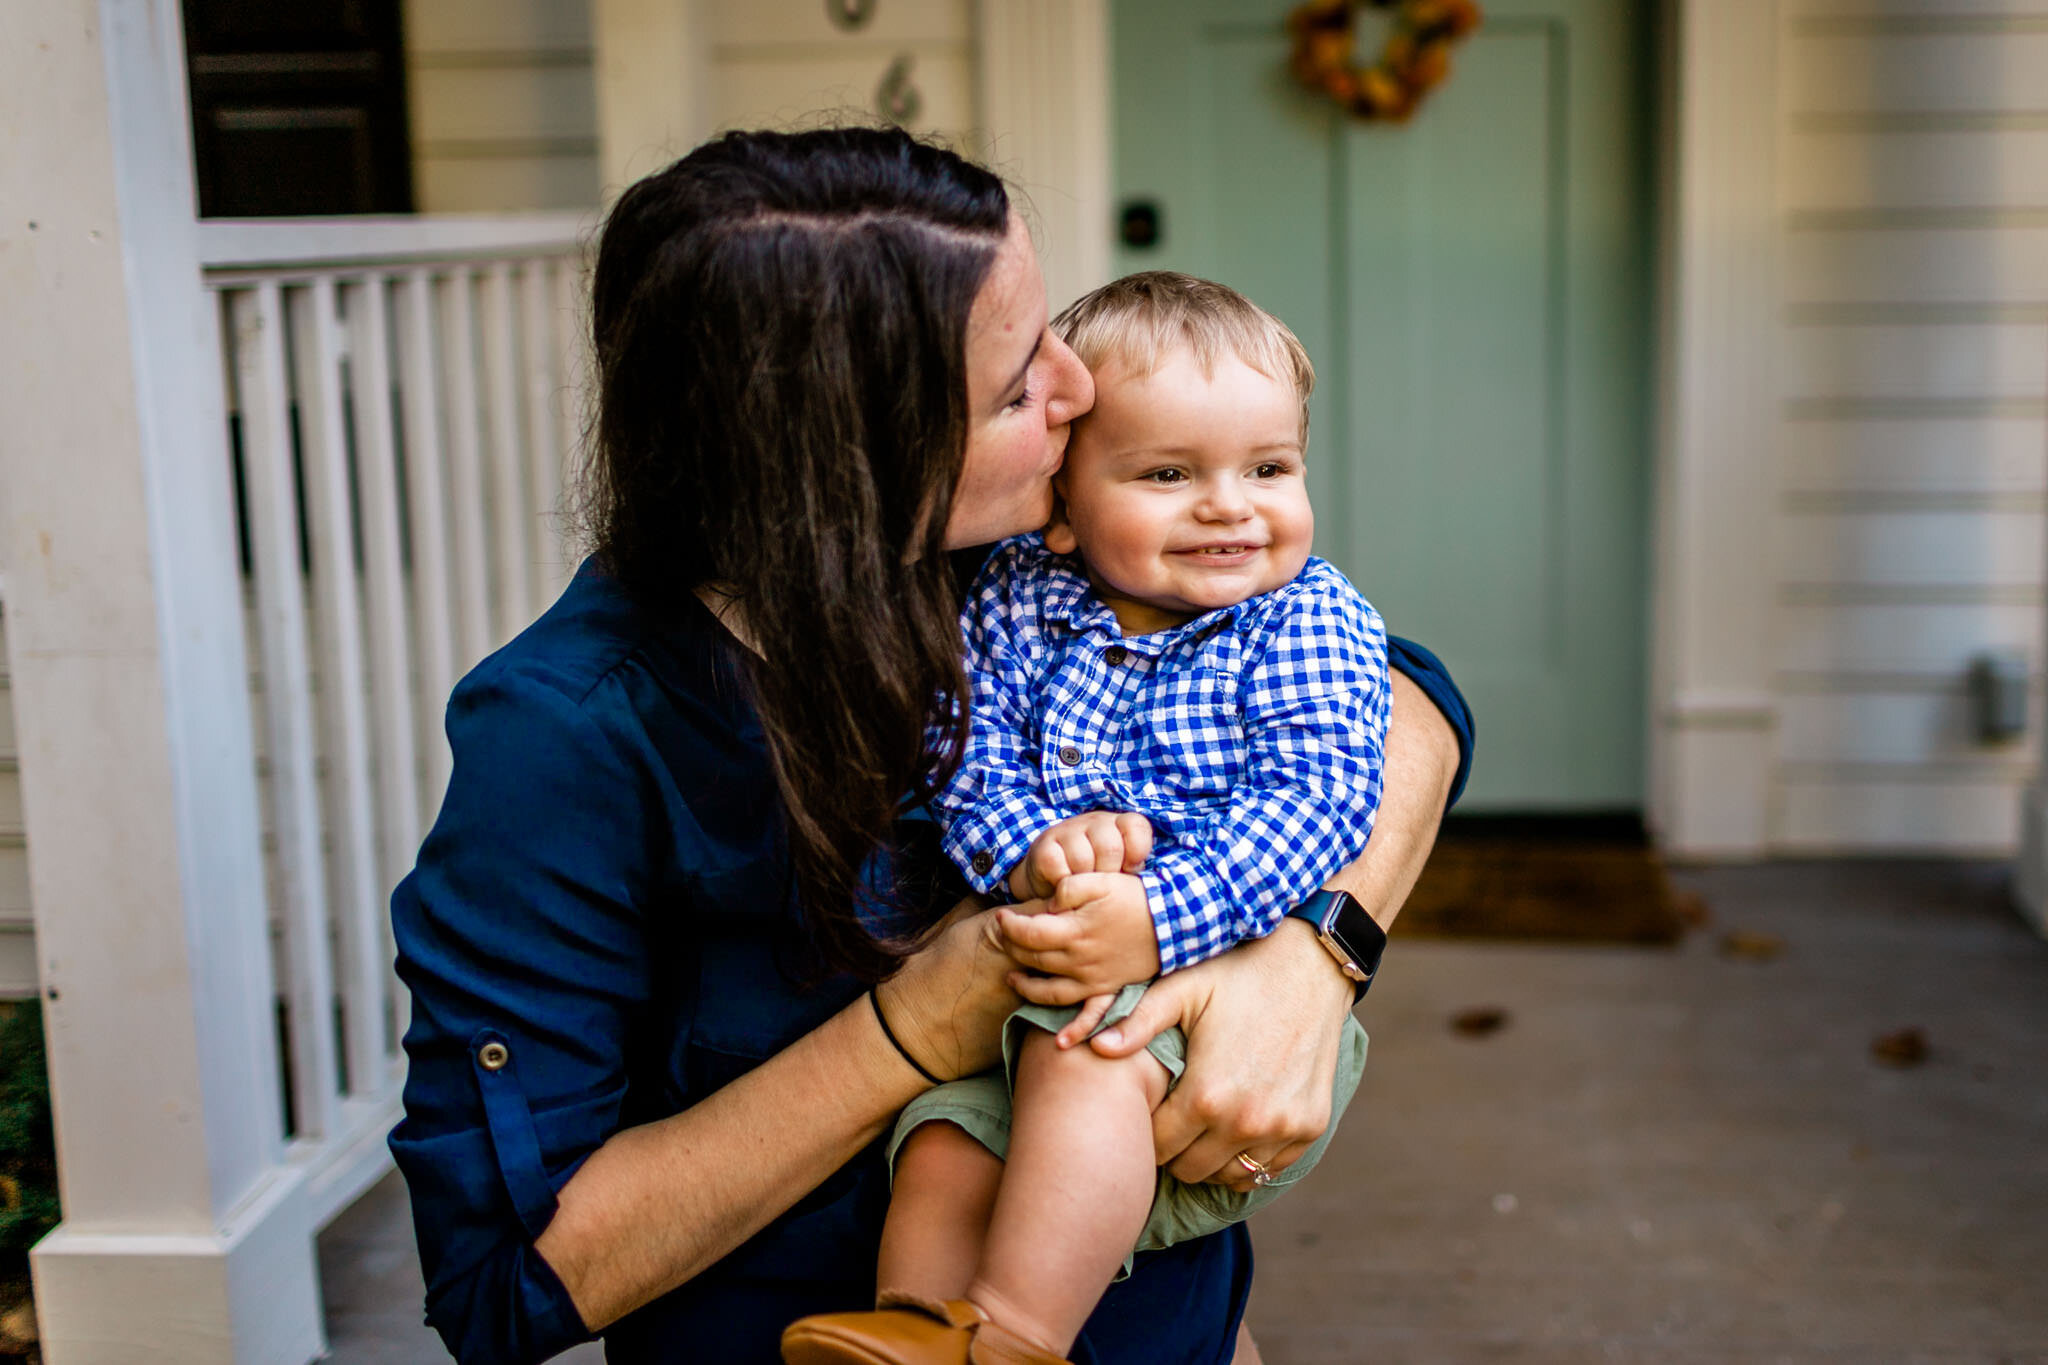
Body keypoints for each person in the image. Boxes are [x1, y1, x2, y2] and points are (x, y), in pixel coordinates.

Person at [387, 126, 1474, 1365]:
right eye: (1018, 383)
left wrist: (1313, 957)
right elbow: (504, 1282)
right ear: (842, 463)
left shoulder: (1007, 562)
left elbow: (1409, 698)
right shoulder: (571, 736)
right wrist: (911, 1031)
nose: (1077, 388)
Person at [782, 274, 1389, 1365]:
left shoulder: (1301, 618)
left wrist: (1156, 916)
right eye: (1167, 473)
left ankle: (1014, 1338)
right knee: (936, 1144)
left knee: (1081, 1066)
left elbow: (1320, 800)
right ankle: (916, 1335)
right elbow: (963, 755)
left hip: (1208, 987)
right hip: (1046, 970)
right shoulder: (1015, 595)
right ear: (1060, 501)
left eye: (1268, 468)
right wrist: (1026, 851)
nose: (1227, 504)